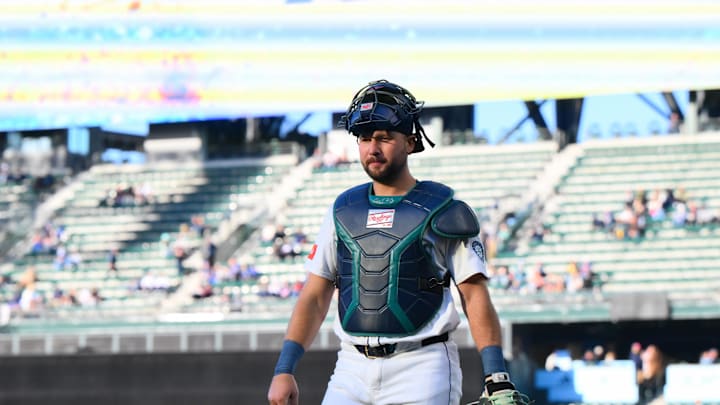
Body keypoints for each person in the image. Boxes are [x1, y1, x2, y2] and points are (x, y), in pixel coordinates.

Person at [267, 80, 528, 405]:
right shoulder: (342, 209)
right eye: (364, 138)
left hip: (422, 367)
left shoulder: (446, 209)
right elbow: (315, 295)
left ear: (411, 141)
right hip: (350, 367)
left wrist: (496, 376)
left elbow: (474, 295)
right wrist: (284, 368)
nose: (372, 148)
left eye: (384, 138)